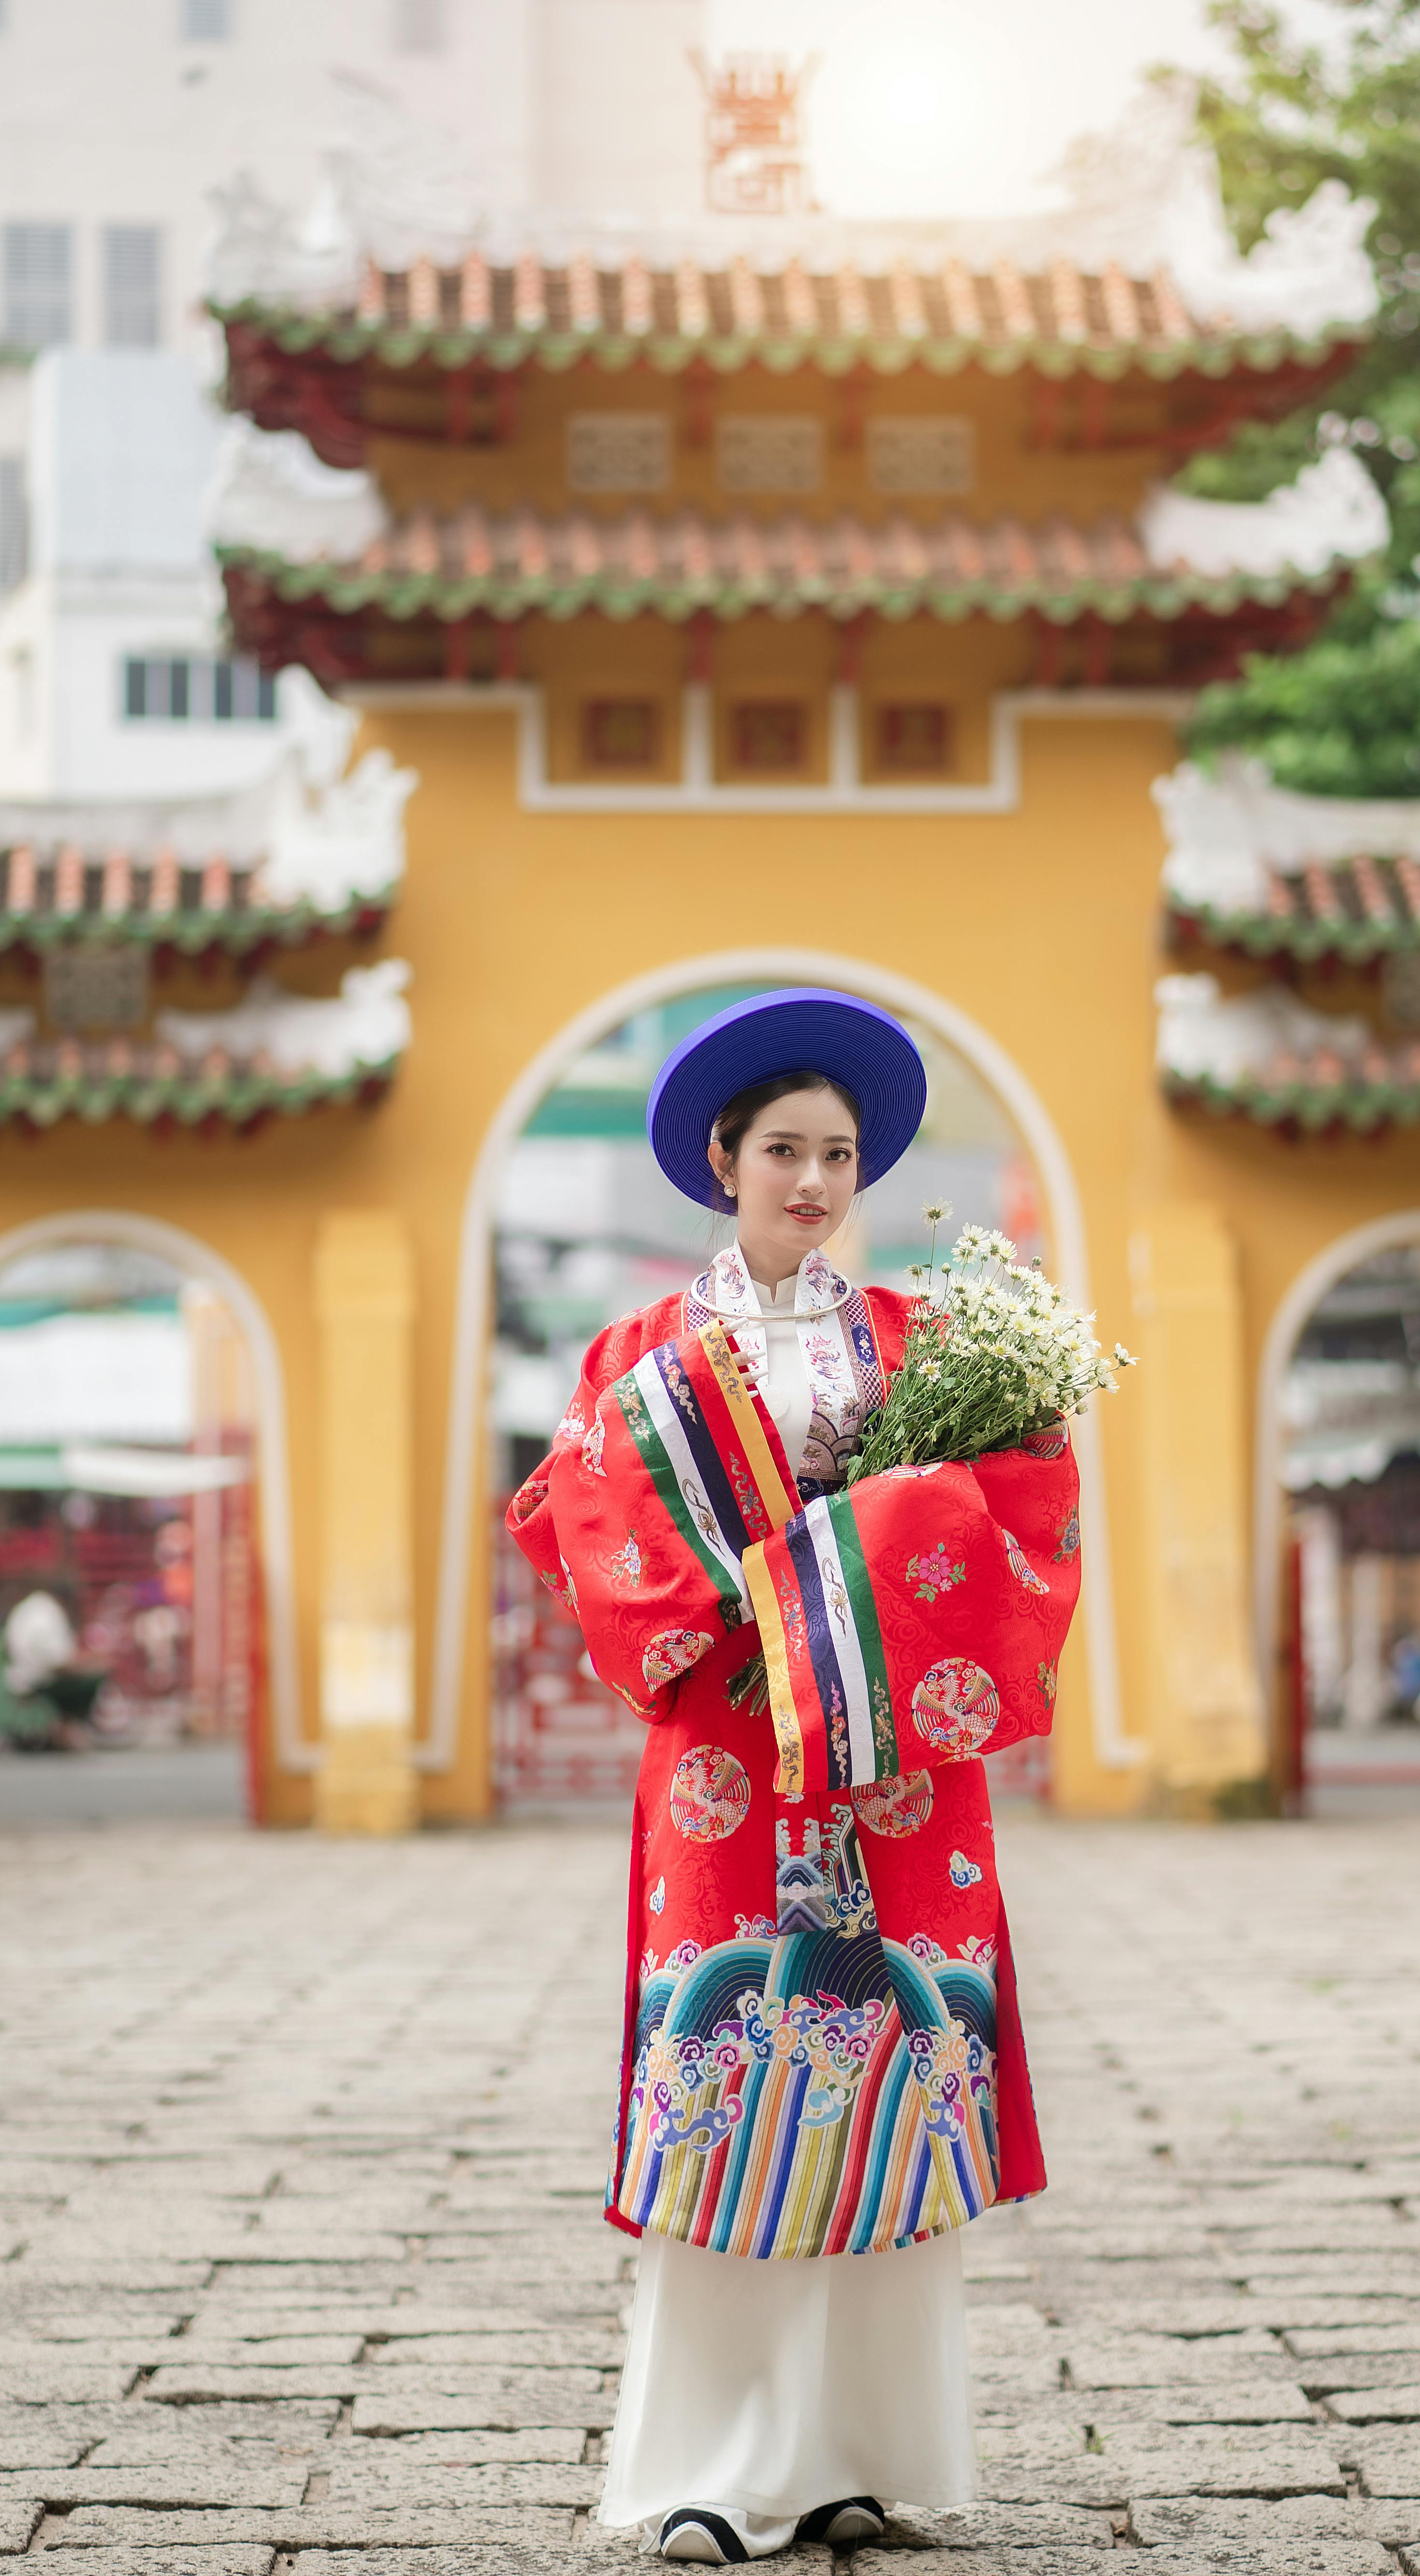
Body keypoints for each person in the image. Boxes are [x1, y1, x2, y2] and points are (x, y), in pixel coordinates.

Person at [506, 988, 1081, 2566]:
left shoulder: (923, 1343)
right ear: (722, 1158)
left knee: (892, 2079)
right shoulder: (642, 1355)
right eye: (782, 1150)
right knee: (728, 2078)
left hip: (894, 1778)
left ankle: (858, 2453)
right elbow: (587, 1521)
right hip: (726, 1764)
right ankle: (710, 2461)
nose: (813, 1180)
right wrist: (755, 1632)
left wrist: (866, 1589)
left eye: (837, 1153)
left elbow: (1018, 1512)